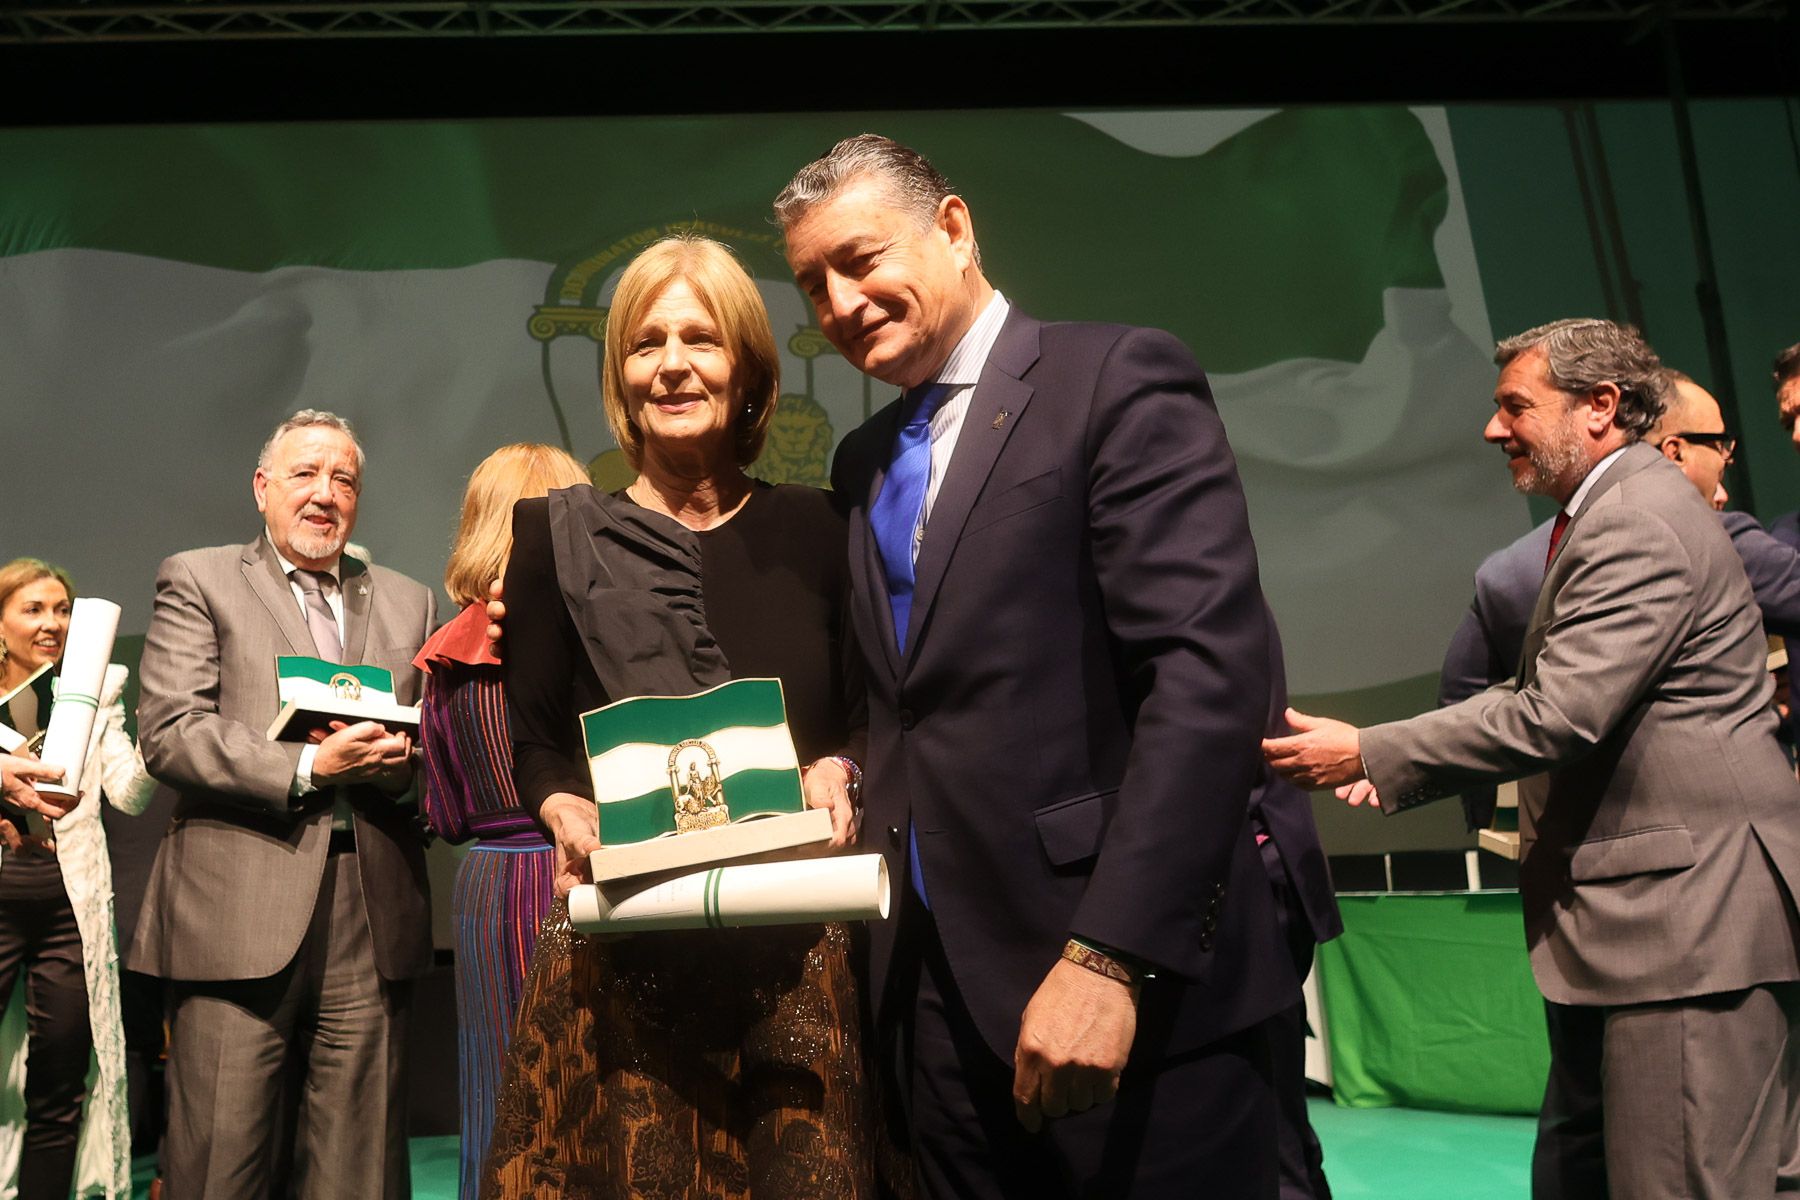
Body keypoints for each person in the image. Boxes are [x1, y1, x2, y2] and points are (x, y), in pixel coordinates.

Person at [775, 134, 1296, 1198]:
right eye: (812, 283)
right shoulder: (861, 461)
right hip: (928, 995)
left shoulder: (1115, 377)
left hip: (1119, 988)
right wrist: (848, 763)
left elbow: (1205, 680)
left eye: (861, 258)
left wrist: (1110, 957)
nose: (841, 299)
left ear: (955, 229)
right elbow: (911, 699)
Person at [1266, 318, 1800, 1198]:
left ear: (1601, 407)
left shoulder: (1635, 518)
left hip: (1687, 926)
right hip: (1661, 924)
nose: (1492, 428)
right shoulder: (1612, 512)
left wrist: (1366, 745)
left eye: (1515, 406)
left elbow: (1561, 712)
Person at [481, 235, 880, 1199]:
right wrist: (558, 808)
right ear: (620, 374)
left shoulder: (823, 530)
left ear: (746, 369)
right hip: (631, 954)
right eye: (644, 342)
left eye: (700, 339)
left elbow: (871, 713)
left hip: (796, 946)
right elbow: (535, 738)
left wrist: (841, 770)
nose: (671, 365)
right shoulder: (552, 537)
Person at [127, 410, 435, 1200]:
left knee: (357, 1171)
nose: (324, 495)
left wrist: (401, 769)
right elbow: (170, 731)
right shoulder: (200, 577)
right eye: (305, 475)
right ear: (262, 489)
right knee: (218, 1165)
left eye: (344, 480)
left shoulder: (407, 600)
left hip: (371, 906)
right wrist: (307, 765)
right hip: (236, 904)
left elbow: (436, 759)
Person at [1439, 370, 1800, 831]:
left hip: (1569, 842)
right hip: (1709, 839)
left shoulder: (1507, 573)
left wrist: (1491, 816)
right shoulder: (1716, 537)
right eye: (1721, 448)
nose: (1725, 475)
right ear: (1676, 451)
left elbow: (1460, 690)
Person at [413, 442, 589, 1200]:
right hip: (577, 878)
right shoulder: (583, 638)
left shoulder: (445, 653)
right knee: (582, 1091)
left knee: (496, 1090)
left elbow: (445, 814)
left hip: (487, 890)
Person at [0, 559, 155, 1200]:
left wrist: (167, 743)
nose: (52, 622)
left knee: (60, 1083)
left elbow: (128, 792)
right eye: (33, 609)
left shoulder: (94, 690)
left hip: (70, 911)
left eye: (62, 609)